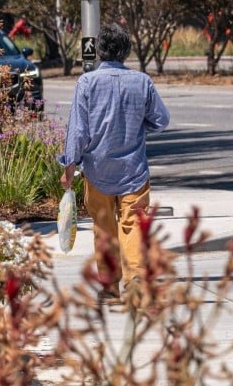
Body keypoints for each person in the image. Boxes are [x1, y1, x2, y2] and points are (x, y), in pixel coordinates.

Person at [59, 24, 170, 305]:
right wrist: (140, 125)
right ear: (126, 51)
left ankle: (110, 289)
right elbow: (161, 120)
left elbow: (78, 131)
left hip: (97, 170)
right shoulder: (142, 82)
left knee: (104, 229)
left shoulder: (87, 83)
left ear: (99, 51)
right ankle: (136, 285)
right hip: (134, 170)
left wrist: (69, 167)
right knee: (133, 227)